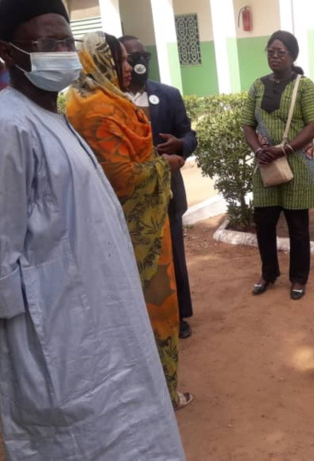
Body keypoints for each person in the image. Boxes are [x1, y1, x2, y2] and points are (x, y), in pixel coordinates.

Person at [0, 1, 185, 459]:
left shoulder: (52, 115)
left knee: (125, 424)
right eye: (47, 43)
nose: (62, 52)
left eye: (66, 42)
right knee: (76, 432)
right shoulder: (5, 127)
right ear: (8, 51)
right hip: (55, 323)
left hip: (103, 308)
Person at [65, 32, 193, 410]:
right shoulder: (94, 110)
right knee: (146, 312)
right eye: (119, 59)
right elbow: (121, 176)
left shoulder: (102, 101)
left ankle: (149, 392)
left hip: (141, 225)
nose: (127, 66)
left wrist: (175, 149)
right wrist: (163, 164)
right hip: (131, 233)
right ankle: (156, 396)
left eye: (130, 58)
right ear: (99, 62)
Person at [121, 35, 197, 339]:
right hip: (130, 197)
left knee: (173, 255)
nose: (138, 62)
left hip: (166, 192)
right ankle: (141, 322)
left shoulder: (167, 95)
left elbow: (190, 136)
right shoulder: (110, 102)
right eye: (131, 56)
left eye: (144, 56)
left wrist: (182, 144)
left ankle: (179, 315)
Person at [241, 31, 314, 301]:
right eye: (271, 51)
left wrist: (285, 149)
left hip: (297, 165)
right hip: (266, 165)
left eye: (281, 52)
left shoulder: (305, 86)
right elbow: (247, 123)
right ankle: (268, 273)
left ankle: (299, 278)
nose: (275, 56)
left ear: (293, 56)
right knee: (264, 223)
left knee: (298, 226)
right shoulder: (257, 86)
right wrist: (258, 150)